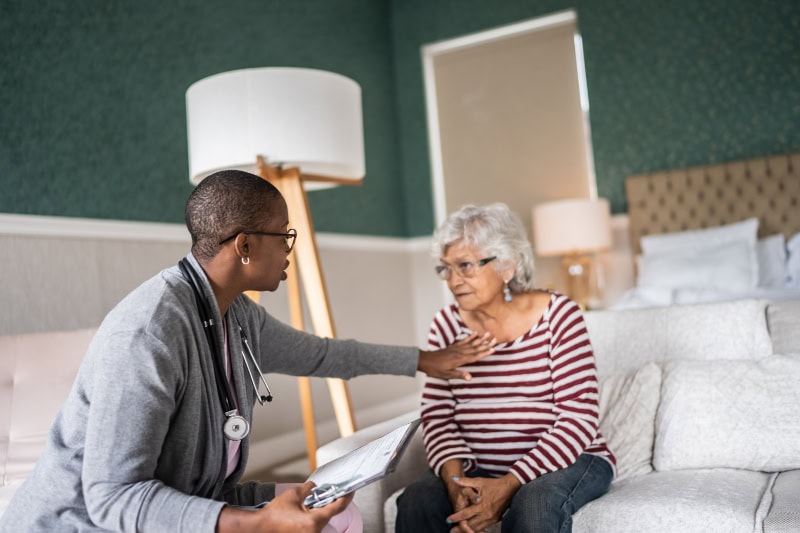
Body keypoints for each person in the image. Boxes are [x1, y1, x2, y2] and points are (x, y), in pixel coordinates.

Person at [0, 170, 495, 533]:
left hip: (198, 496)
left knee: (340, 514)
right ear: (244, 246)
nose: (288, 252)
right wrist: (250, 524)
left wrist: (423, 360)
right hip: (90, 523)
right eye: (285, 237)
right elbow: (112, 498)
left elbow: (323, 356)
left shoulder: (236, 313)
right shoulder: (147, 335)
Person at [395, 203, 616, 533]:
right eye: (446, 268)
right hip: (479, 466)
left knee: (535, 503)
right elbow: (438, 416)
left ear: (507, 265)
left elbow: (578, 419)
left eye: (466, 266)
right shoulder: (445, 325)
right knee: (417, 500)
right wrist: (456, 483)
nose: (454, 281)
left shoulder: (559, 315)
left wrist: (512, 482)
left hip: (571, 460)